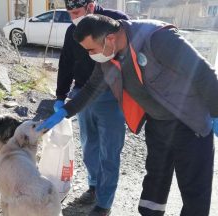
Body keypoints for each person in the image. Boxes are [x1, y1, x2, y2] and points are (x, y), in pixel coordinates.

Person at [37, 15, 218, 216]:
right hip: (158, 124)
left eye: (91, 50)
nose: (90, 55)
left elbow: (204, 74)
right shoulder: (107, 58)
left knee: (194, 190)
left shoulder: (157, 39)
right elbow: (90, 90)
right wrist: (65, 112)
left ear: (110, 39)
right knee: (155, 184)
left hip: (190, 123)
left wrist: (217, 114)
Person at [55, 1, 128, 215]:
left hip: (112, 96)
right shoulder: (73, 31)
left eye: (76, 12)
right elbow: (66, 63)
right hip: (82, 94)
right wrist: (60, 96)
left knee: (110, 151)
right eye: (69, 14)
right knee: (89, 146)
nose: (73, 18)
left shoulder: (115, 21)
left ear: (90, 6)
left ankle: (104, 203)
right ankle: (94, 186)